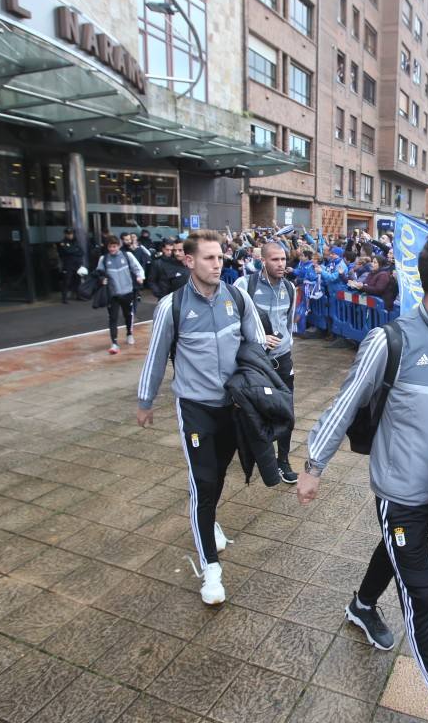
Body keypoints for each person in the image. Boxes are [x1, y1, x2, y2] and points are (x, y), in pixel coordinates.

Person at [299, 230, 428, 723]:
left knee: (397, 548)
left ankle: (361, 605)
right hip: (400, 489)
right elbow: (345, 404)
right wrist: (313, 466)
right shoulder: (390, 341)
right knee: (421, 593)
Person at [136, 230, 266, 605]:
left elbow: (255, 347)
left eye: (220, 257)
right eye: (209, 258)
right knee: (203, 482)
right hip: (195, 409)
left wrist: (260, 390)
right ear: (189, 261)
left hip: (233, 408)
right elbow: (156, 357)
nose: (217, 264)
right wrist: (145, 401)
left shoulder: (237, 298)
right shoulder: (172, 306)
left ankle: (208, 521)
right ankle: (211, 569)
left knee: (219, 473)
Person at [234, 241, 298, 484]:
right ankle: (255, 455)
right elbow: (234, 323)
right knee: (253, 412)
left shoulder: (290, 287)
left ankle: (283, 460)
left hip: (283, 360)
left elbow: (288, 322)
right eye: (275, 260)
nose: (281, 264)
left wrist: (286, 346)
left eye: (283, 259)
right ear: (263, 260)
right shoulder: (244, 285)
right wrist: (258, 340)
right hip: (255, 363)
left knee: (286, 411)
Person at [95, 235, 145, 354]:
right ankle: (114, 343)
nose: (112, 249)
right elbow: (98, 273)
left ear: (119, 246)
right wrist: (101, 279)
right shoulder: (104, 259)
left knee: (128, 315)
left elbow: (137, 268)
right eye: (110, 247)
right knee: (113, 318)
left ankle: (129, 333)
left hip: (127, 292)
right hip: (112, 294)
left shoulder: (127, 256)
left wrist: (140, 277)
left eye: (114, 246)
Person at [56, 228, 85, 303]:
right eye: (68, 234)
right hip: (68, 264)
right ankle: (64, 298)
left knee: (78, 280)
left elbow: (82, 252)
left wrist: (73, 251)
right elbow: (67, 251)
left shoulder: (76, 241)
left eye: (71, 234)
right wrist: (75, 250)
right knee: (67, 281)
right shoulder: (62, 242)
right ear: (65, 234)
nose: (70, 235)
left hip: (77, 264)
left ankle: (78, 295)